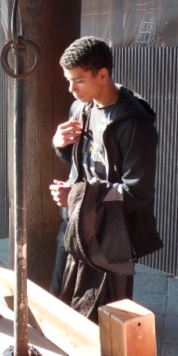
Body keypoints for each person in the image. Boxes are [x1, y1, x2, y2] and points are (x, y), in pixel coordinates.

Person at [48, 36, 162, 321]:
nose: (71, 89)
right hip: (73, 224)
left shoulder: (134, 122)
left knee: (104, 318)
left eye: (78, 81)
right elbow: (81, 164)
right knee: (60, 301)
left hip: (112, 234)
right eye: (68, 81)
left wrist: (78, 196)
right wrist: (60, 144)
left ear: (102, 75)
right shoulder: (81, 108)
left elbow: (137, 191)